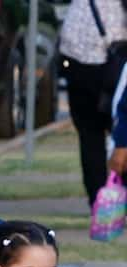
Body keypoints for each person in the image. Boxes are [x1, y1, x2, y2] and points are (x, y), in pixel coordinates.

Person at [61, 0, 125, 207]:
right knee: (119, 133)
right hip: (117, 62)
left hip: (79, 62)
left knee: (90, 138)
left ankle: (98, 204)